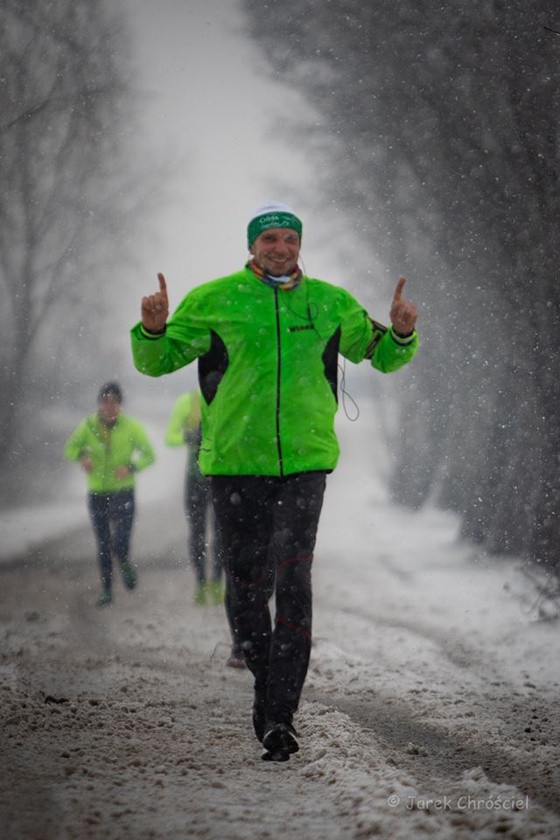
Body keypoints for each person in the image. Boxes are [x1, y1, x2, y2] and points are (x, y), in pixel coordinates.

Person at [130, 202, 418, 761]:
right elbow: (156, 362)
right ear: (253, 246)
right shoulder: (214, 300)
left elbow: (378, 356)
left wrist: (402, 334)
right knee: (246, 587)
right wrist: (152, 327)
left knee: (294, 581)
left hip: (305, 466)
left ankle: (280, 714)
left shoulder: (331, 302)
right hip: (236, 465)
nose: (280, 248)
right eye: (270, 240)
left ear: (299, 244)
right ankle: (267, 690)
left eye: (289, 238)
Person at [165, 390, 246, 668]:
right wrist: (188, 438)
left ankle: (216, 580)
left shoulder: (229, 394)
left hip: (220, 478)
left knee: (222, 535)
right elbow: (170, 436)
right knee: (197, 533)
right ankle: (201, 581)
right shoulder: (187, 402)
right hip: (195, 478)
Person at [64, 382, 156, 607]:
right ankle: (107, 590)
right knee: (103, 544)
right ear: (99, 404)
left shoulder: (131, 427)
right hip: (97, 493)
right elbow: (70, 448)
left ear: (120, 405)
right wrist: (82, 457)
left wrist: (131, 467)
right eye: (105, 402)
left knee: (120, 541)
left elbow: (149, 455)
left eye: (114, 402)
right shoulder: (88, 426)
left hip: (123, 492)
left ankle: (124, 562)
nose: (109, 407)